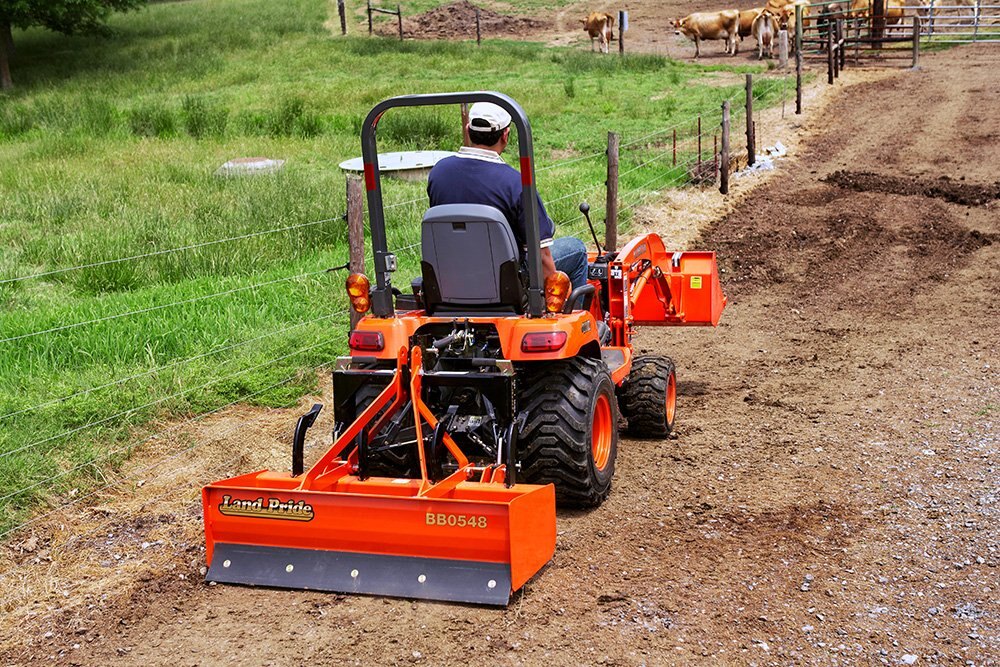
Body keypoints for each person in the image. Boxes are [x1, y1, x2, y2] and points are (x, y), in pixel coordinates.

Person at [427, 102, 588, 293]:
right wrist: (556, 294)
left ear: (468, 129)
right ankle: (573, 313)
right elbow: (542, 255)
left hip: (450, 274)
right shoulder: (516, 183)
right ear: (505, 135)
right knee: (576, 249)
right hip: (505, 280)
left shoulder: (438, 172)